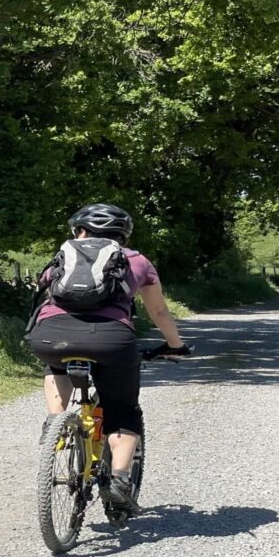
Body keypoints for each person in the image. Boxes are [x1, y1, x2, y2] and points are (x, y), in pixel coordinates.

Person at [25, 203, 187, 510]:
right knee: (124, 411)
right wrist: (175, 344)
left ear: (81, 231)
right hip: (111, 340)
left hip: (50, 334)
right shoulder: (136, 260)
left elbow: (44, 287)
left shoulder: (63, 255)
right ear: (122, 235)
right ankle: (118, 481)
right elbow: (159, 311)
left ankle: (56, 422)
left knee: (55, 364)